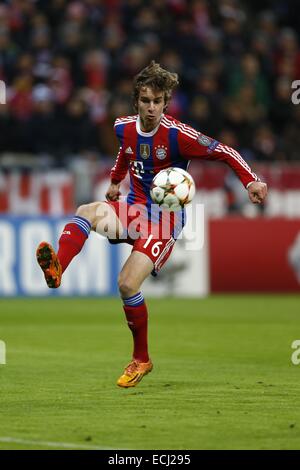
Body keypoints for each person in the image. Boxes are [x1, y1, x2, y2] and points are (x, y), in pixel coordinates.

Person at [36, 61, 267, 388]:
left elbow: (224, 151)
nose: (151, 107)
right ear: (136, 101)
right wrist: (116, 181)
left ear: (165, 102)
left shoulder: (178, 135)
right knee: (87, 210)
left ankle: (141, 359)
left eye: (157, 102)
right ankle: (58, 268)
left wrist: (251, 181)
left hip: (165, 220)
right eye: (145, 101)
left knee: (127, 285)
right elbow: (126, 152)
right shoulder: (123, 127)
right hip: (133, 210)